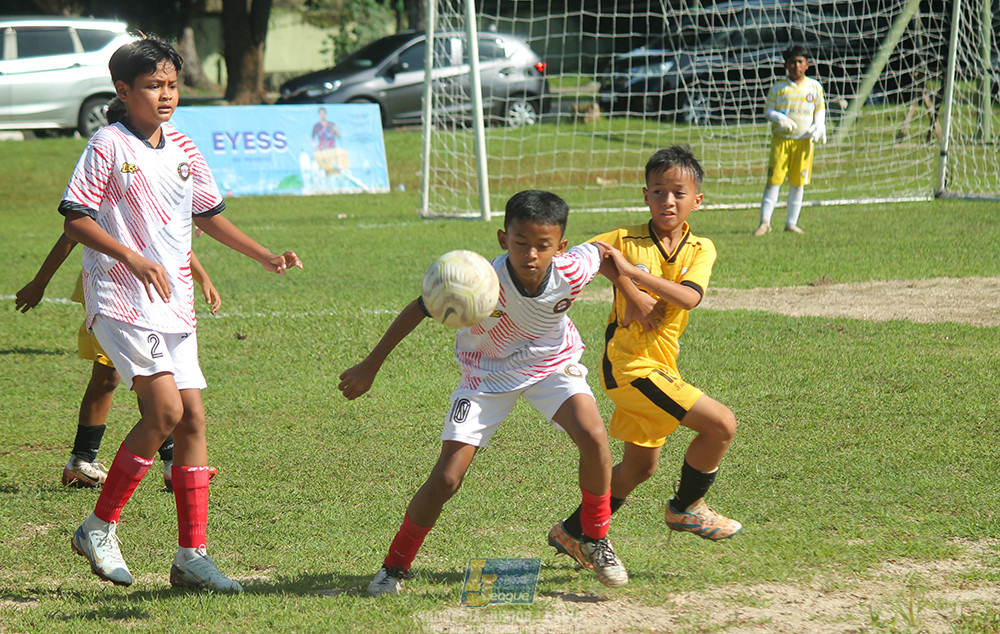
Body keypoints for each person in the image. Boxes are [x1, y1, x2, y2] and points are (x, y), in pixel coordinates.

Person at [61, 35, 302, 591]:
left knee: (192, 418)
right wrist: (130, 256)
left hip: (175, 302)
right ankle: (98, 527)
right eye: (153, 86)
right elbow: (74, 218)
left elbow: (209, 216)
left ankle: (191, 557)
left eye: (172, 84)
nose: (166, 95)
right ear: (124, 90)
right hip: (122, 296)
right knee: (164, 412)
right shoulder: (107, 145)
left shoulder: (184, 149)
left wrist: (263, 254)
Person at [338, 189, 629, 596]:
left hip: (550, 363)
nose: (530, 255)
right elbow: (419, 308)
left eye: (543, 246)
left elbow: (602, 252)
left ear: (560, 247)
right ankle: (394, 567)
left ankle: (595, 538)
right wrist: (370, 366)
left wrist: (631, 292)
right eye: (520, 243)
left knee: (595, 436)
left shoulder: (572, 269)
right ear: (502, 239)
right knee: (446, 478)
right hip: (485, 375)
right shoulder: (479, 280)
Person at [549, 146, 741, 570]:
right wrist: (631, 295)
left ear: (697, 199)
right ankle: (686, 507)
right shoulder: (625, 238)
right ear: (645, 195)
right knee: (721, 424)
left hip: (662, 367)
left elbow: (689, 297)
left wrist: (633, 276)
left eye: (677, 192)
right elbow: (589, 256)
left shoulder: (700, 248)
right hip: (628, 366)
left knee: (639, 467)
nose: (667, 201)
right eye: (658, 191)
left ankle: (573, 531)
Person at [14, 232, 220, 491]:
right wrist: (39, 282)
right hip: (109, 292)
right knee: (110, 375)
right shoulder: (109, 193)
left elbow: (170, 236)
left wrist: (203, 277)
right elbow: (73, 228)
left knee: (152, 373)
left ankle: (171, 462)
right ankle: (83, 460)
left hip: (146, 291)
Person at [754, 44, 826, 236]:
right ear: (786, 65)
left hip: (804, 143)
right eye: (792, 62)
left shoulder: (815, 87)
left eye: (800, 62)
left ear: (807, 64)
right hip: (781, 141)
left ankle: (791, 223)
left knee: (798, 183)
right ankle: (765, 222)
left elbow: (820, 109)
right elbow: (767, 111)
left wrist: (820, 126)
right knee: (774, 181)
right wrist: (778, 117)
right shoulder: (779, 89)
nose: (796, 66)